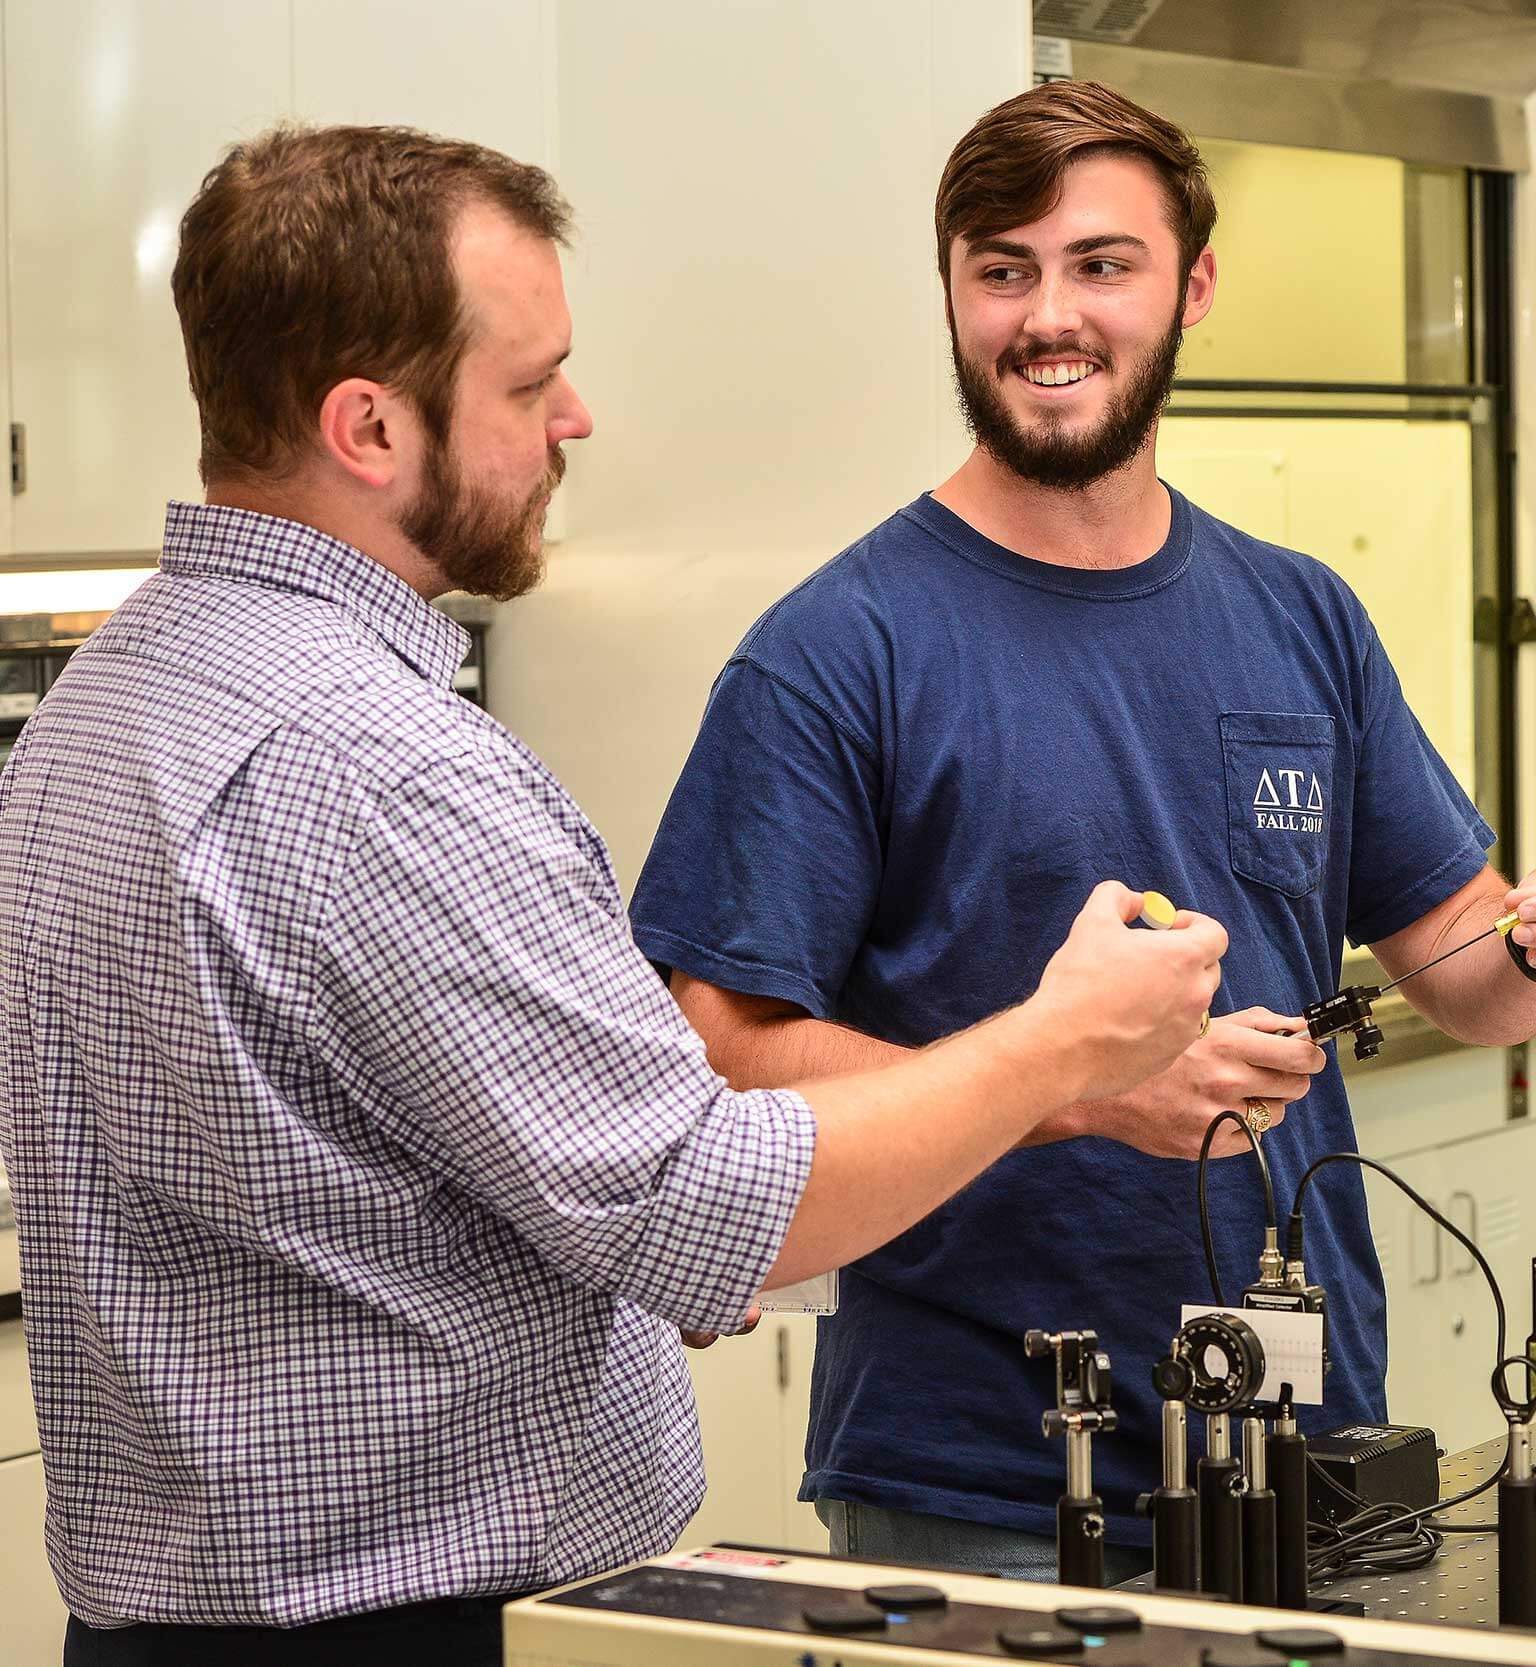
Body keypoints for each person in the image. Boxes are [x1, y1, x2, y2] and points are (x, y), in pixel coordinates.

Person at [0, 124, 1225, 1666]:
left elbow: (347, 1160)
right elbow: (704, 1203)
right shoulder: (390, 769)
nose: (575, 416)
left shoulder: (95, 704)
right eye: (528, 384)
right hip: (418, 1626)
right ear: (370, 426)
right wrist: (1069, 1041)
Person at [629, 81, 1536, 1578]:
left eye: (1102, 263)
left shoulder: (1300, 615)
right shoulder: (841, 649)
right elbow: (721, 1061)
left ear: (1193, 287)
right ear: (955, 295)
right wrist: (1090, 1087)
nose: (1051, 316)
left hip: (1311, 1453)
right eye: (1003, 268)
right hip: (977, 1483)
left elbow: (1462, 964)